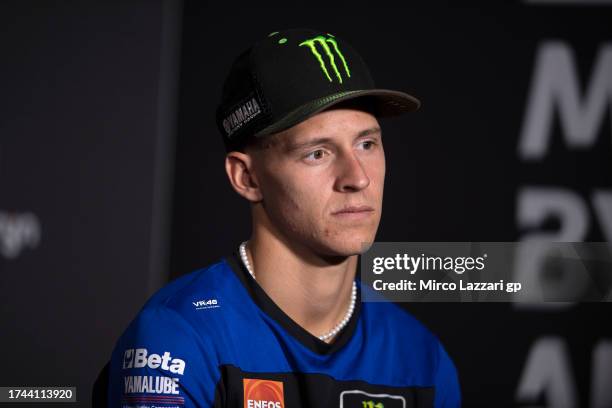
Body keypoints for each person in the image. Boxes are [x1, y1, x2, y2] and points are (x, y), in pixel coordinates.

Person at [107, 28, 461, 408]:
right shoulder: (180, 337)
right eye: (317, 153)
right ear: (247, 177)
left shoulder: (421, 358)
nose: (358, 177)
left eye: (367, 143)